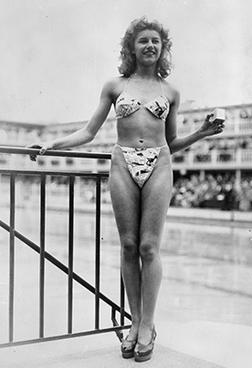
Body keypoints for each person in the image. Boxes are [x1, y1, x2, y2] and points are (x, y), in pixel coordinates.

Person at [29, 17, 224, 362]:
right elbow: (89, 132)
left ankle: (147, 324)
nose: (150, 46)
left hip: (159, 163)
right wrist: (53, 144)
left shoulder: (171, 92)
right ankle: (134, 323)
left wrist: (202, 134)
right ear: (131, 48)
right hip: (122, 162)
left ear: (163, 49)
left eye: (156, 42)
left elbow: (172, 141)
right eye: (143, 41)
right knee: (129, 244)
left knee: (149, 247)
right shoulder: (114, 86)